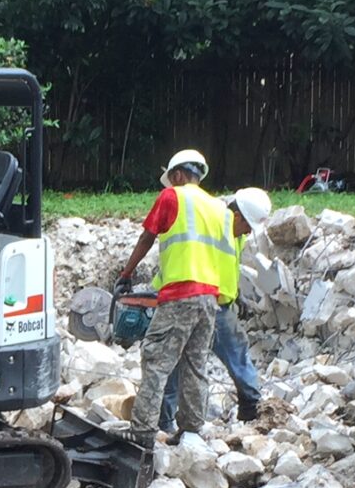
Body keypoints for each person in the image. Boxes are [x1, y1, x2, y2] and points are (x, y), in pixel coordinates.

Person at [115, 149, 239, 446]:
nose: (169, 184)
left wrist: (126, 274)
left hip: (180, 296)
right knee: (195, 364)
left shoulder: (173, 197)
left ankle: (143, 430)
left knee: (156, 361)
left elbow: (148, 237)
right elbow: (225, 257)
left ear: (179, 175)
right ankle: (191, 429)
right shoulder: (220, 209)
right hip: (209, 298)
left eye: (171, 179)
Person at [159, 187, 271, 429]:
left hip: (219, 302)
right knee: (179, 363)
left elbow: (228, 266)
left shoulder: (235, 232)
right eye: (248, 225)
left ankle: (251, 409)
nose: (249, 232)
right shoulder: (215, 226)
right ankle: (166, 423)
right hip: (204, 303)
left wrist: (235, 294)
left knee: (229, 354)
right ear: (238, 216)